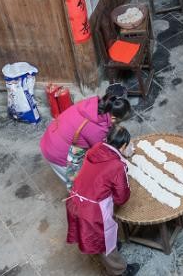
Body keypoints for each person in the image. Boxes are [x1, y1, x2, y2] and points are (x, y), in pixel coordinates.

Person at [65, 124, 139, 275]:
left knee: (103, 239)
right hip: (92, 212)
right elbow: (121, 198)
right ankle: (120, 270)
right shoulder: (117, 166)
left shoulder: (96, 148)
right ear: (123, 146)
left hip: (75, 199)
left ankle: (113, 246)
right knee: (105, 243)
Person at [40, 94, 132, 186]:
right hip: (56, 151)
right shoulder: (97, 130)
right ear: (113, 118)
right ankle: (76, 193)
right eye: (118, 121)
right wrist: (119, 150)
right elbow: (100, 152)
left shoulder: (92, 104)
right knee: (76, 183)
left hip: (52, 134)